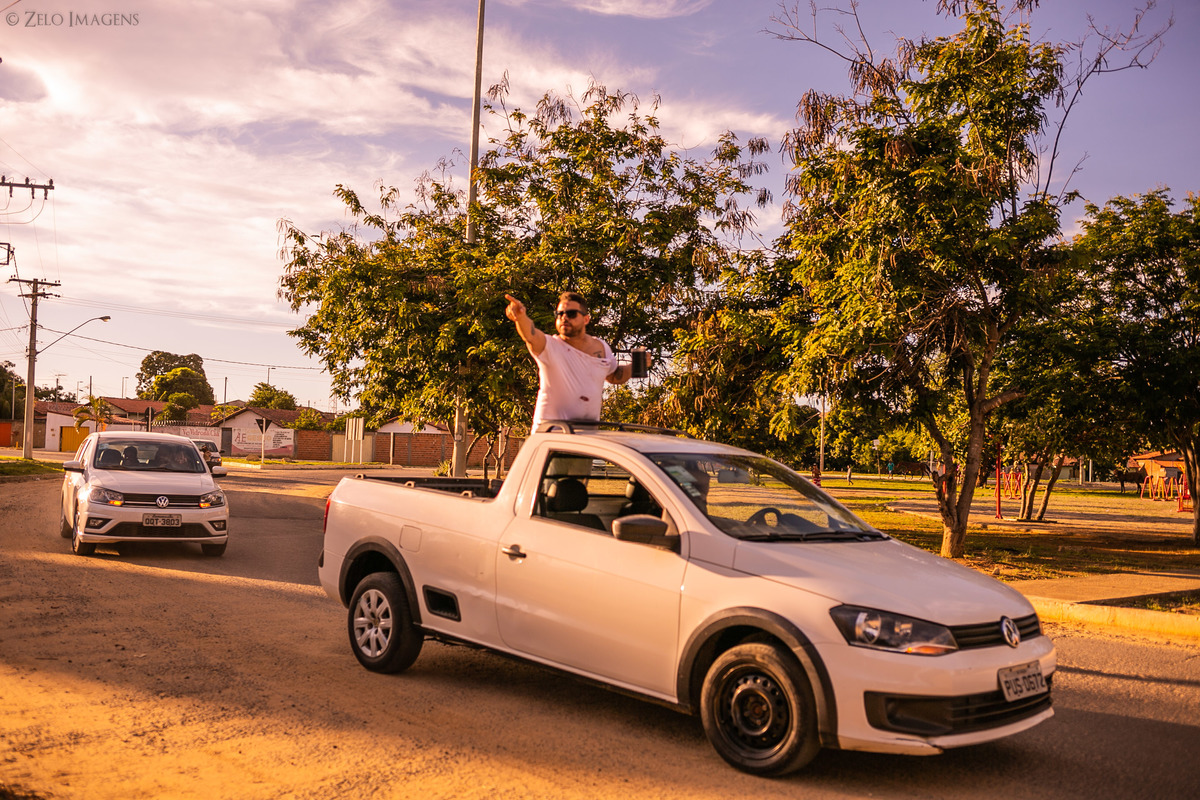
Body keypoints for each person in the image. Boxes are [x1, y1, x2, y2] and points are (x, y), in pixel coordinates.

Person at [505, 291, 649, 431]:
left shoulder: (601, 347)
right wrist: (520, 317)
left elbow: (615, 375)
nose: (564, 318)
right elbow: (530, 335)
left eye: (571, 314)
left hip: (585, 438)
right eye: (559, 314)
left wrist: (637, 364)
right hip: (553, 436)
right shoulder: (549, 346)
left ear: (586, 319)